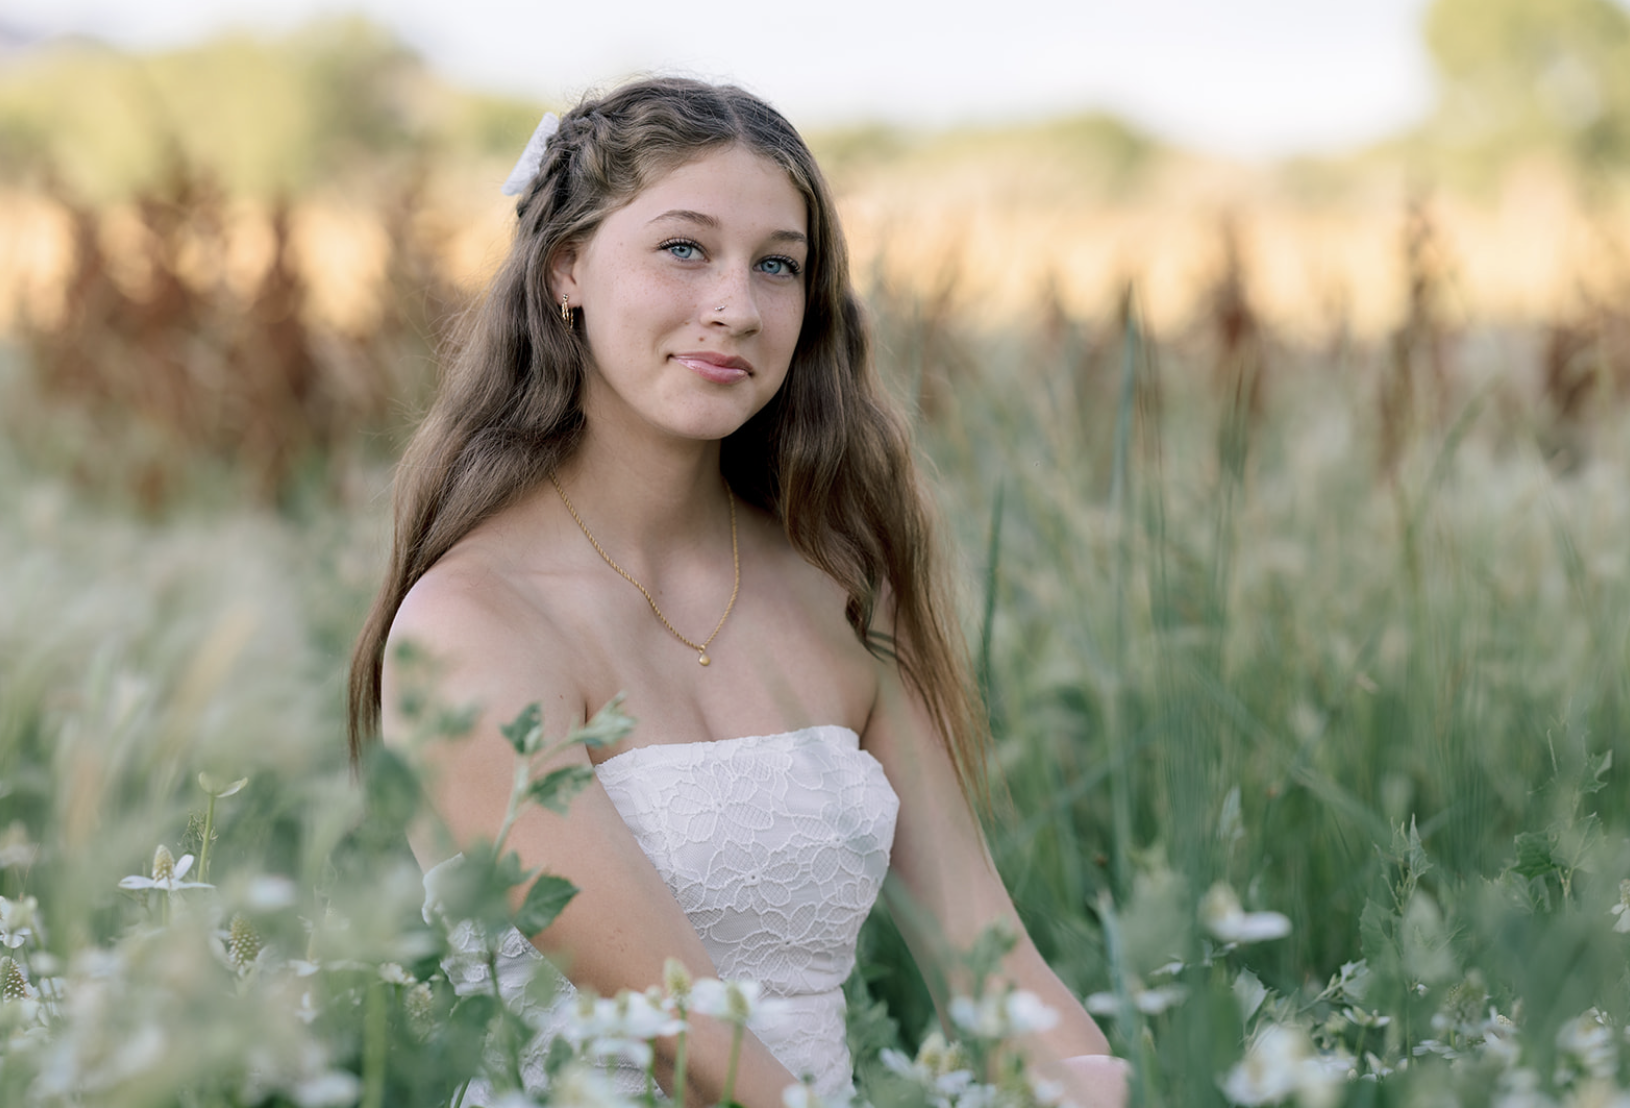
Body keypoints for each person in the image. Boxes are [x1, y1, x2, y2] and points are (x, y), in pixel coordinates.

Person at [348, 78, 1125, 1107]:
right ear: (565, 267)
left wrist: (1094, 1083)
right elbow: (680, 1033)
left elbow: (992, 960)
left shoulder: (838, 595)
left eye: (775, 266)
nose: (735, 306)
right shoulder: (471, 624)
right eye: (684, 248)